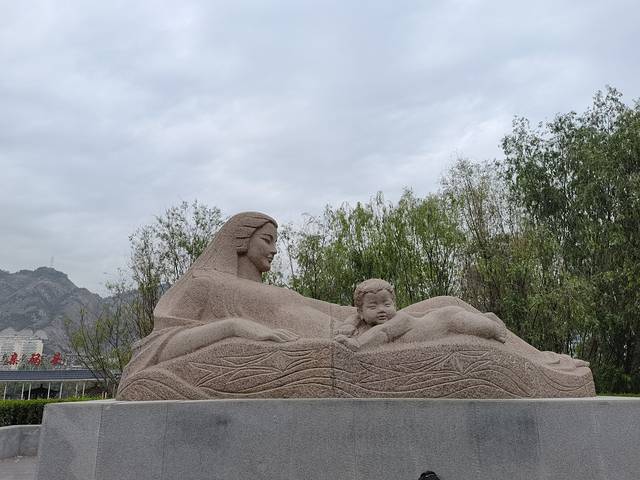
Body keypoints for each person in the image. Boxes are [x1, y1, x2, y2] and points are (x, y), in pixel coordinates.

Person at [334, 279, 507, 350]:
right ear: (361, 312)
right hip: (433, 316)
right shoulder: (361, 317)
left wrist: (357, 344)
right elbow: (355, 316)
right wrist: (349, 324)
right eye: (373, 306)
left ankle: (492, 323)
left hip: (448, 319)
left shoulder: (399, 319)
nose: (382, 310)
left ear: (394, 305)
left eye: (387, 304)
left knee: (481, 327)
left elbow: (382, 332)